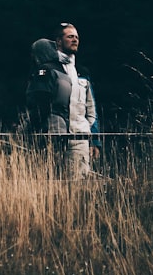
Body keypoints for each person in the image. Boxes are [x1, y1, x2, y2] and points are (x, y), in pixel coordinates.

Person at [25, 23, 98, 178]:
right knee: (50, 182)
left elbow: (91, 109)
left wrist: (94, 139)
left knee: (78, 184)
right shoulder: (49, 69)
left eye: (77, 37)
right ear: (58, 41)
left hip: (80, 137)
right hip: (54, 135)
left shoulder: (82, 71)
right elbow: (40, 103)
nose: (75, 40)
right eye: (70, 36)